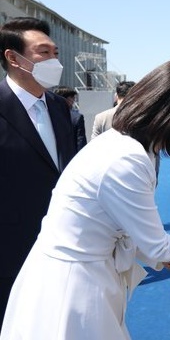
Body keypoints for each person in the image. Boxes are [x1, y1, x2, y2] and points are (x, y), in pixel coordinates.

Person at [0, 59, 170, 340]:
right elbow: (159, 247)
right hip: (71, 287)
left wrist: (159, 251)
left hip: (83, 273)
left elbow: (132, 231)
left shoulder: (129, 145)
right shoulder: (126, 158)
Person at [0, 17, 77, 326]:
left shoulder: (61, 108)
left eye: (55, 52)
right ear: (13, 58)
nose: (54, 60)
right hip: (10, 253)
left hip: (63, 246)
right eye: (43, 52)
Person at [54, 85, 87, 151]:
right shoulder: (76, 118)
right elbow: (81, 144)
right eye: (72, 97)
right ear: (63, 98)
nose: (73, 100)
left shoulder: (47, 114)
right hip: (71, 158)